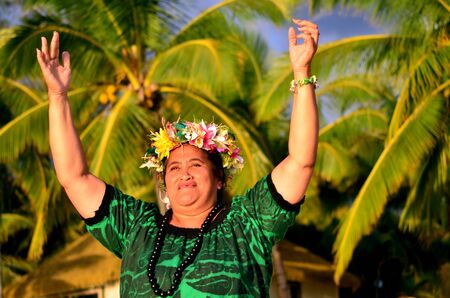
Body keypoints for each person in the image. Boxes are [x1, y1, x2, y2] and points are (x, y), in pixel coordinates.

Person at [36, 18, 319, 297]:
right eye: (173, 168)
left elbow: (300, 162)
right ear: (164, 182)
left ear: (219, 177)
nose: (184, 174)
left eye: (196, 164)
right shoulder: (137, 228)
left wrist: (301, 73)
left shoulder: (248, 225)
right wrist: (57, 95)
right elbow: (74, 178)